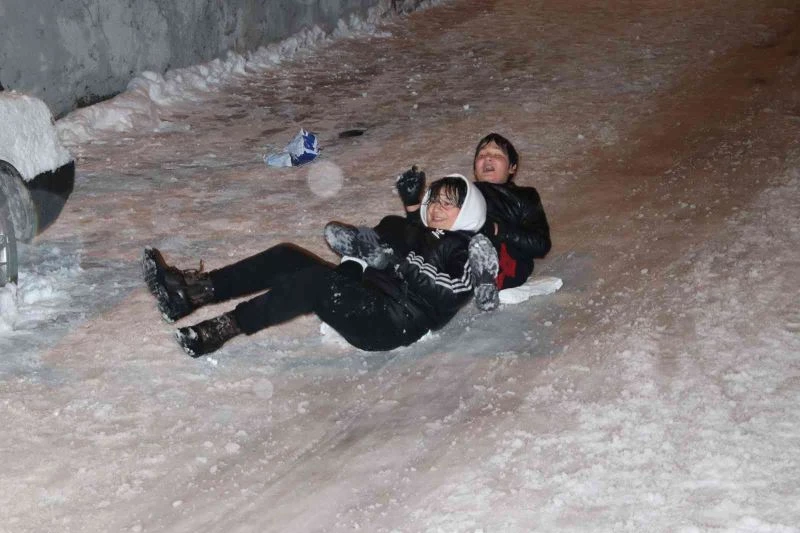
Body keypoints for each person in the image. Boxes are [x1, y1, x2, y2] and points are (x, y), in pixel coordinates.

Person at [142, 174, 497, 357]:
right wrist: (353, 257)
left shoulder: (466, 247)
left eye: (449, 203)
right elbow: (360, 260)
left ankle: (218, 331)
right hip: (363, 296)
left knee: (313, 281)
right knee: (287, 257)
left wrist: (397, 263)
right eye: (435, 199)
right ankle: (191, 294)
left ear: (468, 212)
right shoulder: (401, 226)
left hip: (393, 321)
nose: (437, 207)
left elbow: (448, 291)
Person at [397, 133, 551, 290]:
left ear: (512, 167)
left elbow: (540, 244)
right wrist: (412, 204)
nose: (488, 158)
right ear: (475, 169)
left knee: (471, 247)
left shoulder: (524, 195)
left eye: (497, 155)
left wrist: (497, 229)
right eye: (482, 155)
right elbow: (431, 228)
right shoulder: (462, 192)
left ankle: (484, 278)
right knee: (396, 226)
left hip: (502, 257)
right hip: (455, 251)